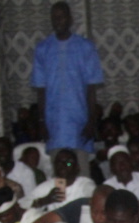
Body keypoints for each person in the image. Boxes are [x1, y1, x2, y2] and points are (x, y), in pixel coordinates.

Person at [31, 1, 104, 159]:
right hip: (54, 124)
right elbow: (40, 90)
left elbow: (91, 89)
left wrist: (91, 121)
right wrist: (42, 121)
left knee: (81, 169)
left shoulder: (86, 47)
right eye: (54, 18)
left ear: (70, 19)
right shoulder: (42, 49)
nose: (58, 21)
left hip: (80, 122)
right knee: (60, 170)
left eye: (62, 17)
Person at [22, 149, 96, 212]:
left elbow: (95, 200)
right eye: (59, 163)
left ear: (77, 168)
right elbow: (22, 204)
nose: (63, 165)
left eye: (68, 163)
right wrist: (45, 200)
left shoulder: (84, 183)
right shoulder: (49, 185)